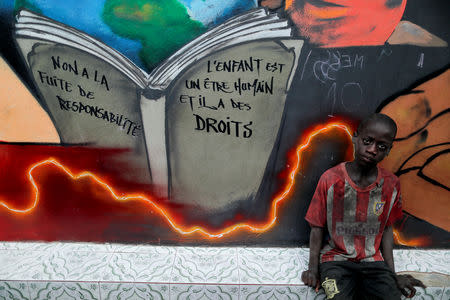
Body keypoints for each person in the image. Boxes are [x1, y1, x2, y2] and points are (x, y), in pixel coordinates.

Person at [301, 113, 426, 299]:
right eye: (367, 141)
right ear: (355, 138)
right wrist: (312, 269)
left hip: (373, 263)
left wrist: (392, 276)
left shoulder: (391, 184)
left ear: (389, 150)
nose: (372, 149)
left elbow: (386, 229)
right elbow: (317, 227)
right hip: (335, 261)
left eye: (381, 146)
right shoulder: (331, 179)